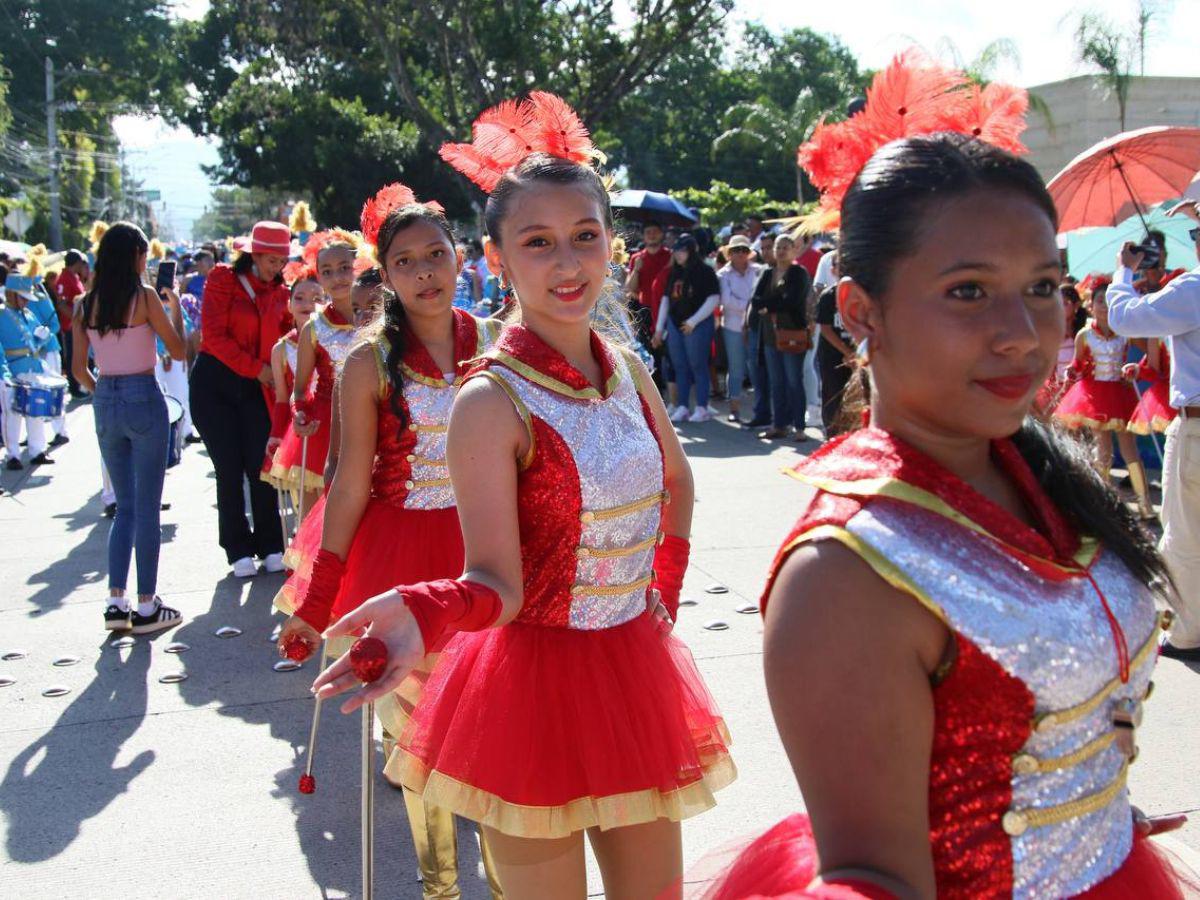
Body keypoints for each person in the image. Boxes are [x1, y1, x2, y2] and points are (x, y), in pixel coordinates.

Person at [697, 53, 1197, 899]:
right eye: (968, 292)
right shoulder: (847, 573)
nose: (1022, 332)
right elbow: (872, 875)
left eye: (1043, 286)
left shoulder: (1038, 470)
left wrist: (1076, 793)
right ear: (860, 312)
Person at [314, 93, 733, 900]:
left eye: (585, 237)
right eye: (538, 244)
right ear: (497, 257)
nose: (568, 264)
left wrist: (661, 599)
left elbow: (679, 483)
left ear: (612, 241)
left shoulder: (624, 364)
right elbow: (495, 585)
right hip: (528, 692)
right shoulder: (490, 401)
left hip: (634, 671)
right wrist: (423, 609)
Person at [278, 194, 505, 900]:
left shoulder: (503, 342)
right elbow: (347, 488)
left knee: (498, 737)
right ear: (388, 275)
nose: (424, 273)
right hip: (401, 558)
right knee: (423, 741)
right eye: (404, 262)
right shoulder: (367, 364)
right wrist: (316, 603)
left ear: (460, 257)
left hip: (494, 556)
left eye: (436, 254)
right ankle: (440, 888)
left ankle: (510, 889)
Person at [71, 222, 186, 634]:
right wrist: (174, 308)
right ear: (137, 256)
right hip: (143, 394)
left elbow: (77, 369)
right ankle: (147, 604)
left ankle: (115, 602)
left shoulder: (86, 304)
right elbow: (178, 349)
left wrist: (102, 389)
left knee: (124, 507)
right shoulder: (145, 297)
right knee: (149, 507)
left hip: (105, 398)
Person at [1108, 205, 1200, 660]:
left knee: (1184, 536)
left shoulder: (1194, 287)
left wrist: (1123, 274)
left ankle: (1187, 634)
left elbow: (1125, 318)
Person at [190, 220, 291, 579]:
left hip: (257, 386)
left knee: (260, 466)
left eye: (281, 260)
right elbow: (213, 336)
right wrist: (256, 368)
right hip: (214, 383)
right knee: (228, 469)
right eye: (271, 259)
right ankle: (237, 549)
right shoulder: (222, 279)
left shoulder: (282, 292)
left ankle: (271, 545)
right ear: (254, 253)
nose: (277, 267)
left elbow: (289, 336)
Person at [1053, 280, 1154, 518]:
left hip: (1120, 395)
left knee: (1130, 450)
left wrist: (1134, 368)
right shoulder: (1084, 335)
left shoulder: (1125, 334)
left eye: (1109, 301)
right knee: (1103, 450)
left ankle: (1145, 504)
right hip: (1095, 396)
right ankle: (1105, 505)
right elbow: (1078, 363)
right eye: (1100, 301)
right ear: (1090, 305)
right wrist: (1072, 371)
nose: (1105, 306)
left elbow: (1152, 351)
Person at [288, 232, 360, 519]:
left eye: (345, 267)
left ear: (360, 264)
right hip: (326, 428)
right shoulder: (314, 329)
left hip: (377, 423)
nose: (338, 277)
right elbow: (299, 389)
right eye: (327, 271)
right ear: (319, 276)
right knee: (318, 514)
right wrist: (299, 411)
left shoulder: (382, 317)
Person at [262, 275, 322, 506]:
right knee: (306, 507)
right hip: (302, 434)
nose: (308, 304)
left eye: (317, 298)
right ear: (289, 304)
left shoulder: (336, 339)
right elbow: (282, 399)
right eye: (300, 298)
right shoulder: (282, 349)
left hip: (333, 429)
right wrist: (276, 435)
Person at [751, 233, 811, 441]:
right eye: (778, 247)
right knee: (776, 382)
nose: (781, 251)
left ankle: (799, 426)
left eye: (786, 247)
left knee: (794, 380)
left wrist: (769, 305)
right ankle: (779, 424)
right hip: (769, 336)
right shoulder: (767, 273)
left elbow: (793, 301)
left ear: (794, 250)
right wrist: (773, 302)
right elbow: (756, 300)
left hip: (792, 332)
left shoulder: (799, 273)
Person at [654, 233, 720, 422]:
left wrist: (694, 321)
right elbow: (666, 299)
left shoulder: (705, 271)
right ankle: (682, 405)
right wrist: (660, 328)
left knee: (698, 365)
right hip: (675, 323)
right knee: (679, 365)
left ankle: (702, 406)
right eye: (677, 251)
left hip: (697, 324)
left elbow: (714, 298)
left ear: (692, 251)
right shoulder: (675, 272)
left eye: (683, 250)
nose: (678, 254)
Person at [0, 272, 56, 469]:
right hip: (12, 371)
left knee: (36, 411)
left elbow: (36, 341)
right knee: (11, 415)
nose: (25, 301)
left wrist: (43, 337)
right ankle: (12, 455)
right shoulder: (1, 314)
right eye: (22, 297)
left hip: (34, 368)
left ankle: (37, 450)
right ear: (11, 294)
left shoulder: (29, 314)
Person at [716, 234, 761, 423]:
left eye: (744, 250)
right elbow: (726, 301)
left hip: (755, 325)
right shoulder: (723, 275)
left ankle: (761, 409)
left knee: (757, 367)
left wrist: (751, 306)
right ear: (729, 253)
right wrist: (750, 305)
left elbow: (760, 295)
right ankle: (734, 408)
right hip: (733, 326)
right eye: (736, 250)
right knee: (736, 368)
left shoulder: (759, 270)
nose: (741, 254)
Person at [813, 254, 857, 437]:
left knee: (855, 398)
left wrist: (857, 354)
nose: (844, 269)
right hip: (833, 356)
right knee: (833, 396)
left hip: (857, 356)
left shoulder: (860, 296)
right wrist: (846, 352)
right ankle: (832, 434)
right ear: (833, 270)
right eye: (840, 266)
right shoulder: (828, 296)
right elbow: (825, 328)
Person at [624, 221, 672, 387]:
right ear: (643, 236)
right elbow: (630, 289)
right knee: (650, 354)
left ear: (662, 234)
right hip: (645, 311)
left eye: (655, 231)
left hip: (668, 311)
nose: (652, 235)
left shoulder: (670, 256)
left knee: (670, 354)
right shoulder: (637, 258)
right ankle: (657, 391)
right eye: (648, 232)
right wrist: (637, 269)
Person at [27, 274, 70, 446]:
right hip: (31, 354)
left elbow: (54, 325)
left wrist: (41, 339)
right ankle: (34, 437)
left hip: (48, 350)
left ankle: (61, 431)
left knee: (53, 390)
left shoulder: (40, 296)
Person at [55, 249, 89, 397]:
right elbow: (62, 305)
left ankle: (80, 385)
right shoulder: (63, 279)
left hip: (79, 323)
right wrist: (77, 320)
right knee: (72, 356)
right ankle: (74, 388)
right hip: (70, 325)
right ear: (75, 263)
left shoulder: (74, 277)